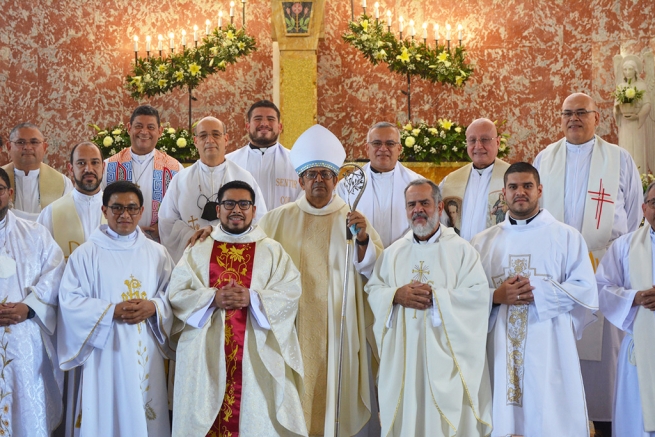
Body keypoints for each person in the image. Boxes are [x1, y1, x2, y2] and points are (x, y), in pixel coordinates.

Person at [257, 125, 383, 436]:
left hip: (338, 328)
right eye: (311, 175)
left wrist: (364, 239)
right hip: (292, 327)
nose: (318, 181)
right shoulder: (275, 219)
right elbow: (252, 258)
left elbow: (378, 270)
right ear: (299, 180)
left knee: (334, 400)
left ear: (336, 180)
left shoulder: (353, 219)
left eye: (325, 175)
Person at [533, 92, 643, 428]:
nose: (574, 119)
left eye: (582, 112)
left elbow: (636, 210)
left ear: (597, 118)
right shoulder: (544, 158)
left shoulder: (619, 158)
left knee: (604, 360)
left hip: (604, 269)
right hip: (558, 272)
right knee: (558, 348)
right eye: (567, 112)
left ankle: (606, 421)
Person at [168, 180, 307, 437]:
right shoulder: (198, 248)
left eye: (244, 204)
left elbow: (289, 294)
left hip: (255, 354)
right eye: (229, 203)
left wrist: (253, 298)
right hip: (206, 352)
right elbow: (176, 295)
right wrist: (213, 299)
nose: (236, 210)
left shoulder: (272, 250)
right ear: (218, 209)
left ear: (254, 210)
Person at [471, 162, 598, 436]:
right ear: (503, 193)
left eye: (527, 186)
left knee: (549, 413)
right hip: (500, 343)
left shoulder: (566, 236)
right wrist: (496, 296)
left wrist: (536, 290)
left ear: (539, 190)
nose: (520, 192)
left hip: (550, 341)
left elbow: (586, 289)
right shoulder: (483, 242)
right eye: (513, 187)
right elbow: (468, 295)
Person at [366, 178, 492, 437]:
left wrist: (439, 299)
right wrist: (395, 295)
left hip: (446, 356)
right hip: (404, 358)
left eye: (425, 202)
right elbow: (374, 291)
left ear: (439, 206)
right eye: (411, 204)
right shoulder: (393, 253)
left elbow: (478, 297)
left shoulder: (462, 251)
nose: (418, 210)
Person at [57, 181, 175, 437]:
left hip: (146, 349)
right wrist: (110, 311)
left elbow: (173, 295)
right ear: (104, 210)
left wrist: (153, 306)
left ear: (141, 210)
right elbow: (69, 300)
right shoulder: (86, 254)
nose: (125, 215)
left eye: (132, 208)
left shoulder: (158, 253)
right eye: (117, 208)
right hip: (105, 351)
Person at [0, 167, 66, 436]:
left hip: (23, 338)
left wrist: (29, 306)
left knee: (26, 407)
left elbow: (56, 271)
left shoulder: (35, 234)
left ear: (10, 193)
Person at [159, 116, 267, 263]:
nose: (210, 140)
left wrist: (221, 235)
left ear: (226, 139)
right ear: (196, 141)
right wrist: (195, 236)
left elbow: (260, 220)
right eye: (203, 135)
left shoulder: (244, 177)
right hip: (192, 257)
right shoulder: (180, 179)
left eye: (216, 134)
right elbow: (167, 222)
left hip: (233, 256)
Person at [596, 181, 655, 437]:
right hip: (639, 347)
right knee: (637, 418)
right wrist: (635, 297)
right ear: (644, 208)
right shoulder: (624, 247)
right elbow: (602, 287)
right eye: (654, 203)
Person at [101, 105, 183, 242]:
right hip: (118, 241)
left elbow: (181, 210)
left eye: (150, 127)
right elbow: (99, 206)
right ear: (129, 128)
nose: (144, 132)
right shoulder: (109, 166)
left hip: (157, 241)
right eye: (139, 126)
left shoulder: (174, 168)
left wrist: (161, 227)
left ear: (160, 131)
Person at [336, 121, 420, 247]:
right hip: (361, 261)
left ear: (399, 149)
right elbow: (338, 227)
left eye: (390, 143)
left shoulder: (418, 185)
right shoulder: (347, 186)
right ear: (366, 148)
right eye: (376, 143)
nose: (383, 148)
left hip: (405, 259)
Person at [439, 118, 510, 241]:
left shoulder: (513, 178)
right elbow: (441, 223)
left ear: (498, 142)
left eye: (485, 139)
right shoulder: (450, 181)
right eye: (472, 140)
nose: (478, 146)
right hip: (459, 256)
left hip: (498, 255)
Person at [226, 100, 302, 209]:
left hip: (284, 225)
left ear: (280, 127)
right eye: (258, 119)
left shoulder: (297, 162)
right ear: (247, 126)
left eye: (270, 119)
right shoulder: (229, 162)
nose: (264, 124)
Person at [38, 141, 106, 259]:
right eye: (81, 163)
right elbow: (39, 257)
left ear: (103, 167)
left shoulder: (117, 210)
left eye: (95, 162)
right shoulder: (51, 213)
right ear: (70, 169)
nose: (88, 169)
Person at [2, 122, 73, 221]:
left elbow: (66, 219)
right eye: (20, 142)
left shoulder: (63, 183)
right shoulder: (1, 178)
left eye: (34, 142)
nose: (27, 147)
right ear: (9, 147)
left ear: (44, 147)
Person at [613, 56, 652, 172]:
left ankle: (640, 180)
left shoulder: (641, 86)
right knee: (626, 149)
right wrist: (619, 109)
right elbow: (616, 105)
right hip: (625, 124)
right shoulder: (620, 87)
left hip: (637, 125)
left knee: (638, 151)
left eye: (630, 69)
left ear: (635, 71)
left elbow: (647, 104)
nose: (627, 72)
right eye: (625, 70)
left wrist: (638, 115)